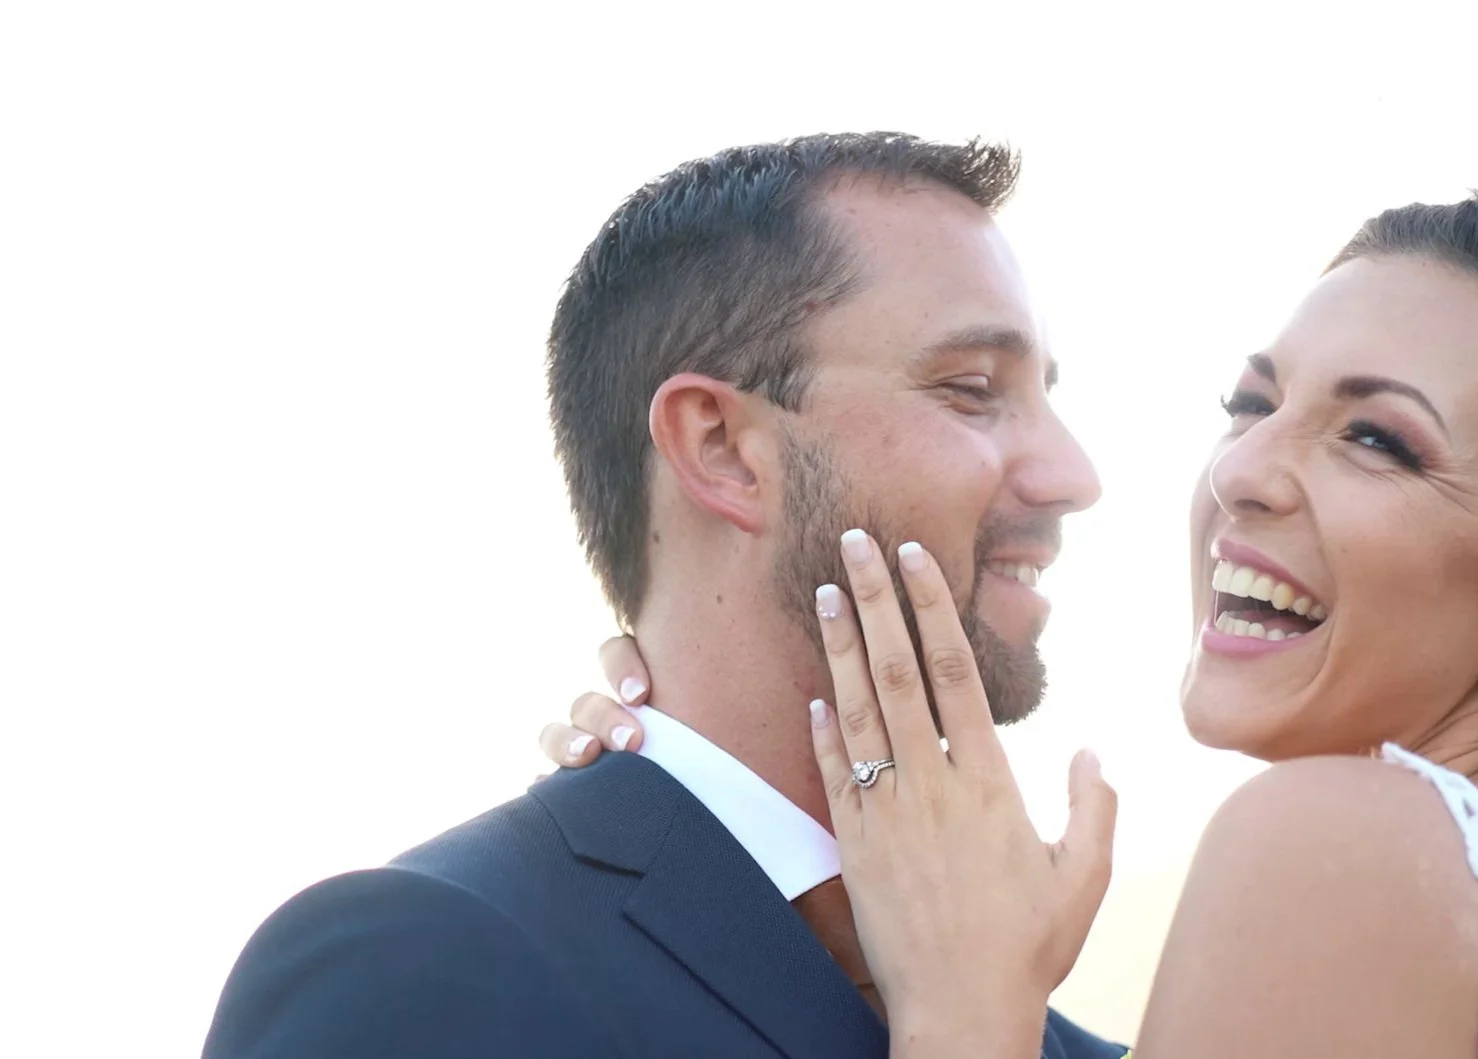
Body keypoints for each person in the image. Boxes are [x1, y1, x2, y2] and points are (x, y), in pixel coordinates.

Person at [547, 188, 1478, 1056]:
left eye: (1375, 438)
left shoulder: (1336, 841)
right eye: (1252, 403)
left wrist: (965, 1018)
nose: (1242, 471)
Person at [203, 133, 1125, 1059]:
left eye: (1044, 397)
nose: (1073, 475)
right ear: (720, 448)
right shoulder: (409, 967)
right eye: (972, 389)